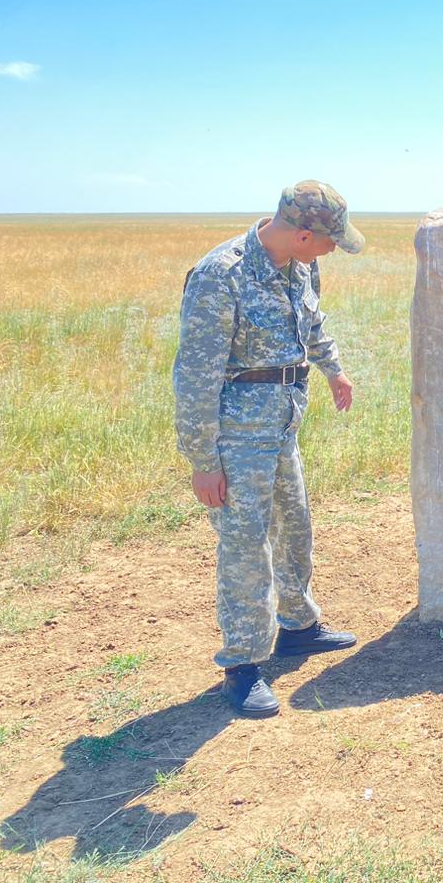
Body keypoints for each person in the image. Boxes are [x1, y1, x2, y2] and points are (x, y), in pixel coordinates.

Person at [173, 180, 364, 718]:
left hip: (282, 426)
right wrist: (203, 461)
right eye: (328, 241)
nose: (333, 249)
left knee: (294, 525)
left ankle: (298, 627)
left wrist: (334, 370)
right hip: (236, 438)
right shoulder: (221, 275)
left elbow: (312, 323)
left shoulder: (301, 266)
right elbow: (195, 374)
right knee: (245, 549)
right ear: (303, 233)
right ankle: (242, 664)